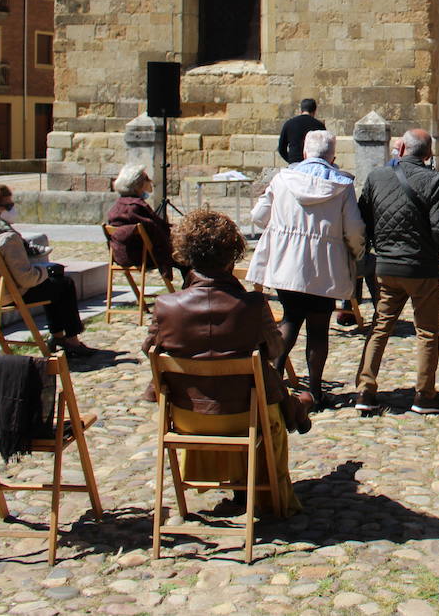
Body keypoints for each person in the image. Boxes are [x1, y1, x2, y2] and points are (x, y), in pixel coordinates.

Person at [144, 209, 309, 516]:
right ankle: (294, 415)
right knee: (267, 395)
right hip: (244, 416)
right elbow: (274, 351)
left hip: (186, 418)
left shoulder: (166, 307)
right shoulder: (252, 305)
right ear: (231, 257)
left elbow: (151, 350)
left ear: (188, 257)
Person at [355, 128, 439, 414]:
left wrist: (374, 249)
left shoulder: (376, 177)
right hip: (422, 268)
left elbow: (363, 218)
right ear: (429, 154)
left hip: (386, 266)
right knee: (427, 332)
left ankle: (365, 391)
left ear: (402, 149)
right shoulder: (435, 181)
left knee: (380, 326)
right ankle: (424, 395)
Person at [247, 130, 364, 400]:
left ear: (304, 153)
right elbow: (354, 228)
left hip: (287, 263)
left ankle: (273, 378)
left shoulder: (282, 179)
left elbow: (258, 216)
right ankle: (314, 389)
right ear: (332, 155)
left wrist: (280, 227)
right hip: (325, 265)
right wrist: (356, 252)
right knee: (319, 328)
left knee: (290, 318)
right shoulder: (342, 186)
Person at [0, 184, 96, 356]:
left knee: (54, 285)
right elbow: (27, 279)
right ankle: (70, 340)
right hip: (9, 294)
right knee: (63, 284)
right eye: (7, 206)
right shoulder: (7, 238)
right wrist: (46, 271)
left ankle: (58, 336)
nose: (12, 209)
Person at [106, 164, 185, 284]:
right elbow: (158, 231)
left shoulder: (117, 206)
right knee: (188, 255)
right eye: (147, 179)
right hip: (143, 256)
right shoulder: (136, 207)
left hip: (121, 255)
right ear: (138, 184)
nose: (150, 182)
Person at [277, 98, 326, 165]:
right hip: (312, 164)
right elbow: (324, 148)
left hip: (295, 164)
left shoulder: (289, 124)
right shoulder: (319, 126)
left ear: (301, 110)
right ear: (314, 111)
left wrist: (290, 160)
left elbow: (281, 148)